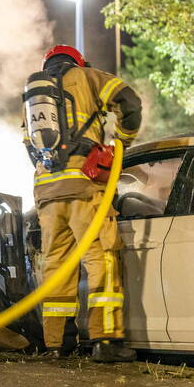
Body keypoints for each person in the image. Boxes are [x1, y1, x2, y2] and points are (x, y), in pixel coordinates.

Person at [23, 45, 142, 362]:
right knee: (101, 259)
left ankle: (58, 344)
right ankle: (106, 342)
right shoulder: (89, 77)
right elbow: (131, 104)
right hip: (84, 187)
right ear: (77, 62)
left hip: (47, 195)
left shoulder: (35, 99)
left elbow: (30, 148)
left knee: (57, 268)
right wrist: (122, 143)